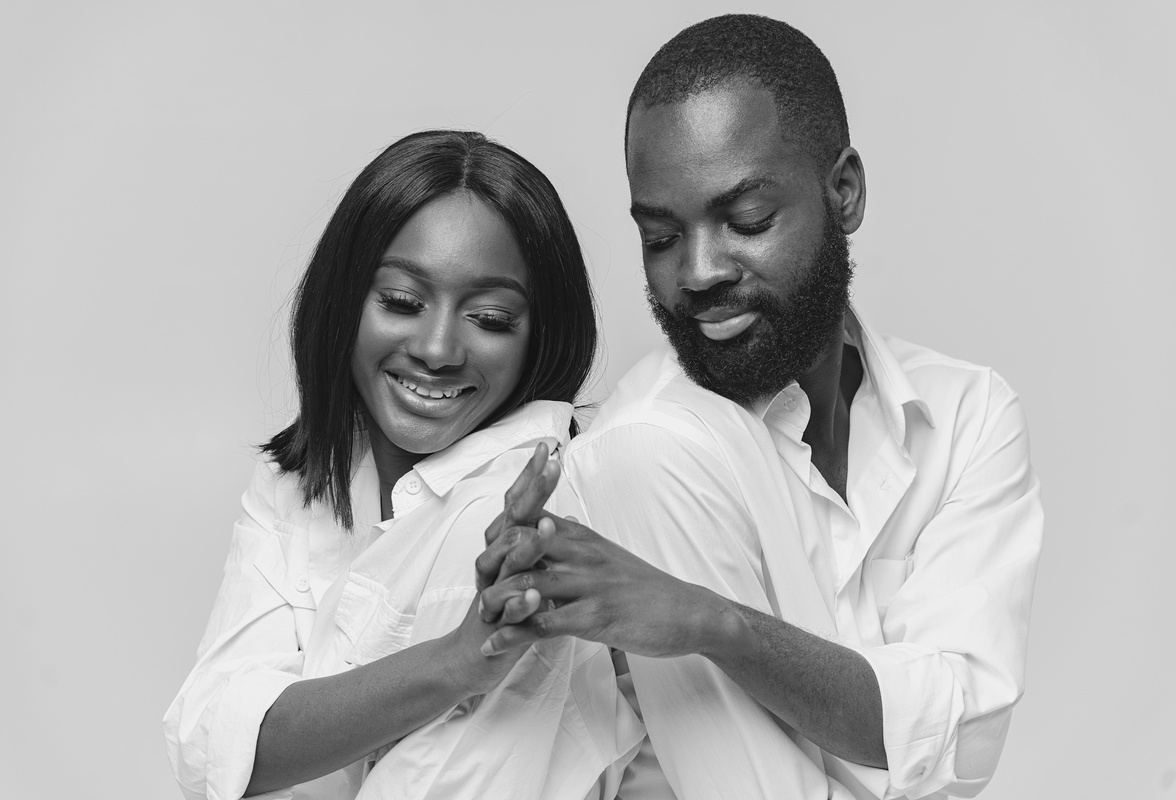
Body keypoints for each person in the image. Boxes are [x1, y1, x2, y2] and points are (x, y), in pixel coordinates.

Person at [478, 15, 1043, 800]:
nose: (697, 272)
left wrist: (712, 623)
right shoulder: (642, 451)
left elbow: (960, 740)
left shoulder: (965, 413)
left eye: (746, 221)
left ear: (842, 191)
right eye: (661, 237)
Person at [163, 130, 642, 800]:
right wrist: (451, 664)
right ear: (345, 299)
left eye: (490, 317)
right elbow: (210, 746)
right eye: (401, 303)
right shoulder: (296, 483)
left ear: (539, 336)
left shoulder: (533, 517)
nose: (439, 349)